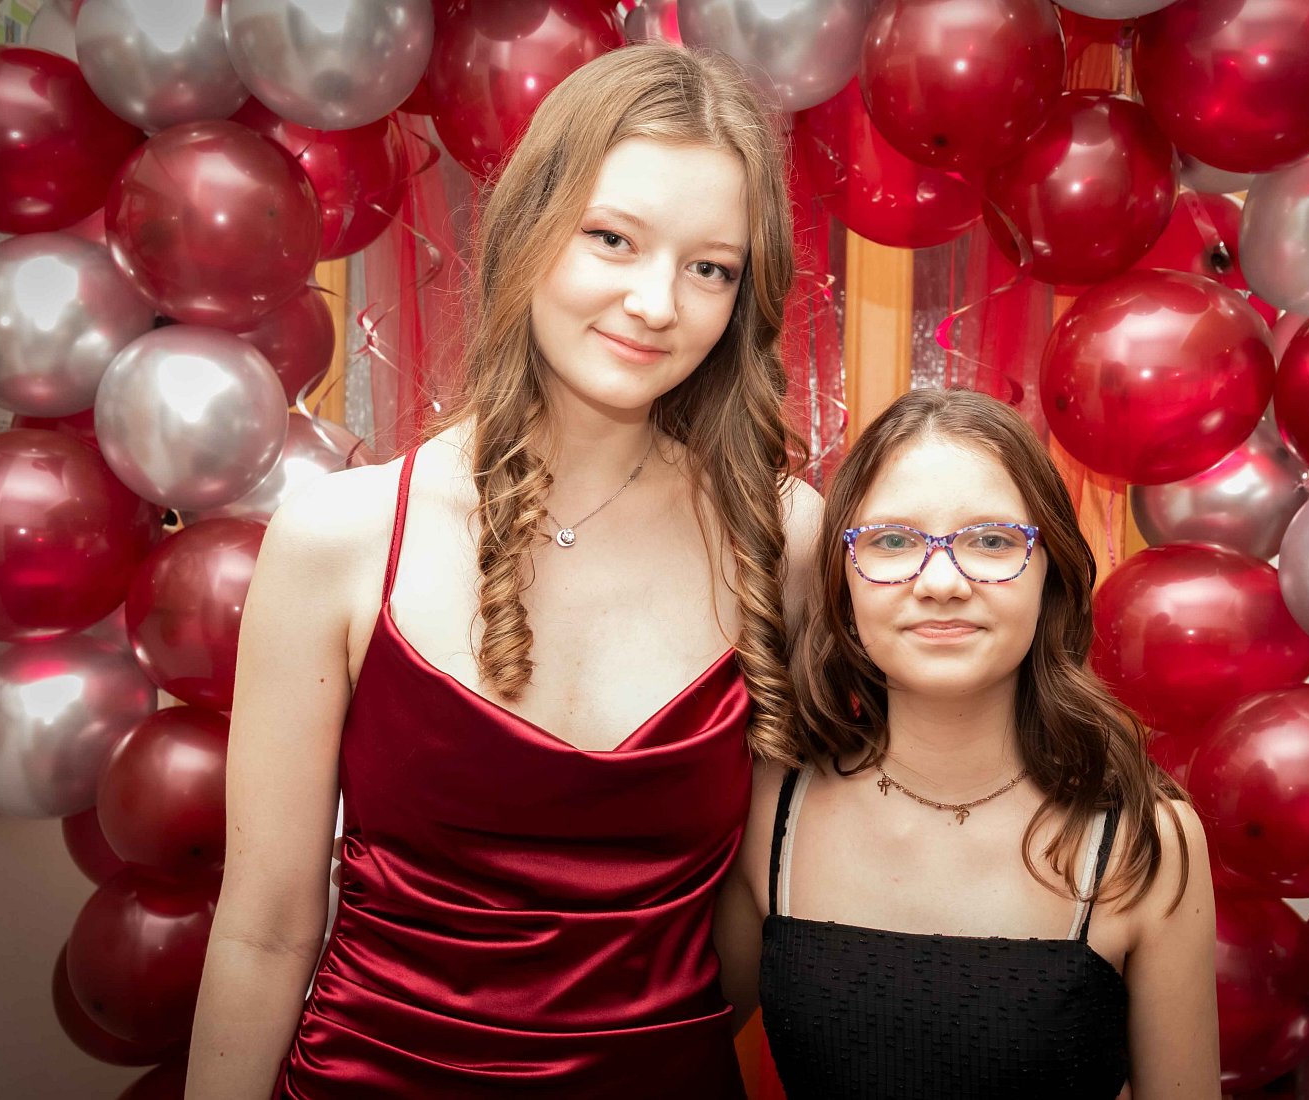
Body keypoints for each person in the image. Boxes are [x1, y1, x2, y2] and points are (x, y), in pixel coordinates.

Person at [186, 44, 821, 1099]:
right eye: (612, 238)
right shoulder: (339, 537)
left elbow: (760, 904)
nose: (656, 302)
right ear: (529, 227)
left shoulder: (784, 539)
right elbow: (263, 930)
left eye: (711, 267)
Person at [715, 388, 1219, 1098]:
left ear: (1049, 579)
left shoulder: (1145, 840)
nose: (941, 583)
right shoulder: (771, 806)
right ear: (842, 584)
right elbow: (660, 1052)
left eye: (992, 541)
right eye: (893, 541)